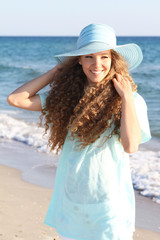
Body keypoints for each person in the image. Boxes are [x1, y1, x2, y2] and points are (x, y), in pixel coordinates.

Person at [7, 24, 151, 240]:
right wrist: (58, 70)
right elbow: (15, 99)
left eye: (104, 56)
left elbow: (131, 146)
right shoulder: (66, 98)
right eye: (89, 56)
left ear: (113, 60)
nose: (97, 64)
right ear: (79, 60)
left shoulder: (130, 101)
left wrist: (127, 97)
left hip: (110, 205)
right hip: (72, 201)